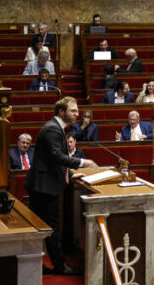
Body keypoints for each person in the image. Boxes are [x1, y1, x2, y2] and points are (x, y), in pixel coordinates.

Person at [25, 97, 99, 275]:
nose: (77, 114)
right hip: (43, 187)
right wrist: (84, 162)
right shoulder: (52, 129)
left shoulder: (56, 128)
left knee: (45, 227)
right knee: (50, 227)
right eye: (73, 111)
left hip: (44, 185)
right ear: (61, 112)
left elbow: (54, 160)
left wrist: (72, 174)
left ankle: (43, 263)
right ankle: (59, 266)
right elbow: (57, 157)